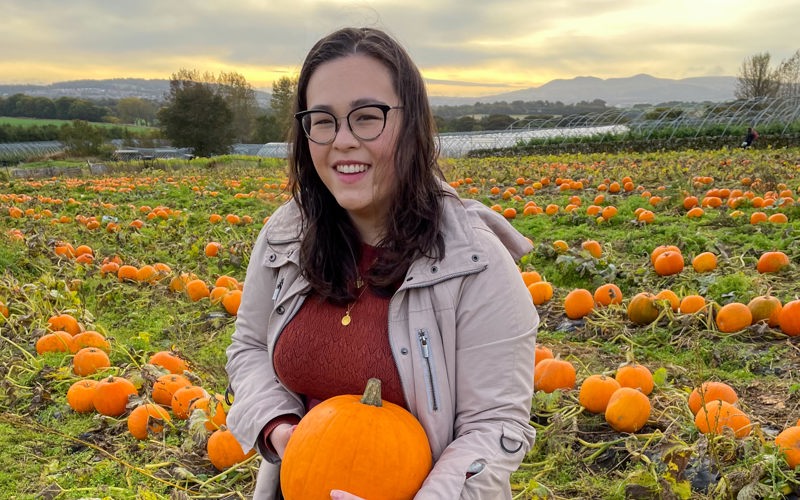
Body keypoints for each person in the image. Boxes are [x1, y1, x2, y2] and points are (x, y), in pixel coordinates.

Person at [225, 26, 539, 500]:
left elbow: (494, 427)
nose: (343, 140)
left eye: (367, 117)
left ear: (411, 123)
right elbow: (248, 347)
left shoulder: (473, 261)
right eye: (323, 121)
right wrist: (278, 426)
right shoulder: (286, 235)